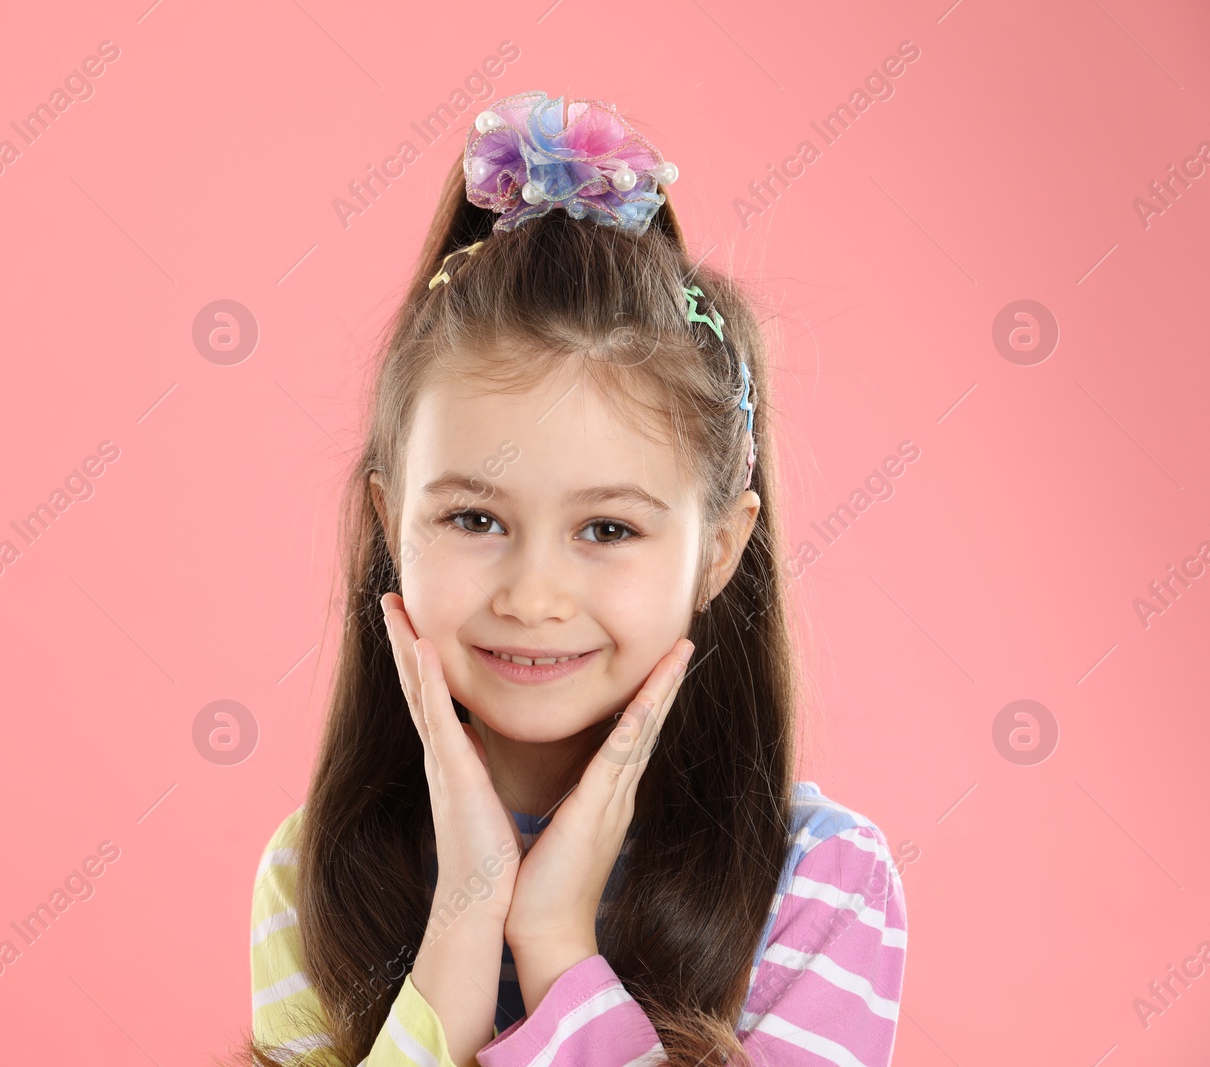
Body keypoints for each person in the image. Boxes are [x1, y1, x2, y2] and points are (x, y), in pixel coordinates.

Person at [241, 90, 907, 1067]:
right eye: (473, 518)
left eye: (606, 526)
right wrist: (462, 924)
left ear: (719, 547)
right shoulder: (314, 873)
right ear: (391, 523)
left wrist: (556, 948)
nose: (533, 594)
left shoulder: (821, 883)